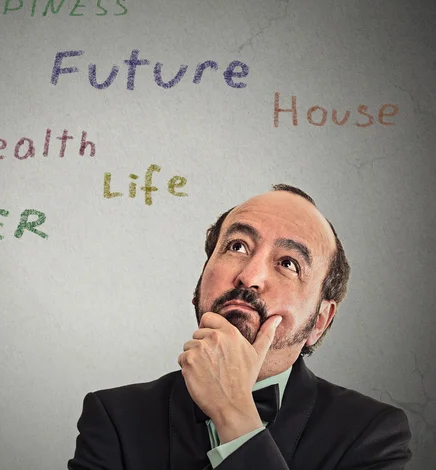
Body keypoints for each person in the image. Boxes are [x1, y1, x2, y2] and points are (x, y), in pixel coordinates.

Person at [68, 184, 412, 470]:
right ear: (202, 279)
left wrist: (235, 416)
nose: (249, 276)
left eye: (288, 263)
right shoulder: (114, 418)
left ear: (319, 322)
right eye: (237, 246)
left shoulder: (372, 434)